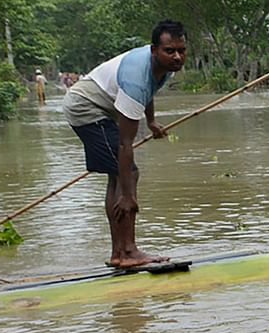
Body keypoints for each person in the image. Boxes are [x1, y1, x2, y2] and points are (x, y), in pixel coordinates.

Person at [63, 20, 187, 268]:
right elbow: (124, 143)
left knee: (117, 175)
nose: (177, 57)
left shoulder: (163, 67)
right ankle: (128, 251)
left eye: (181, 51)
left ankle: (118, 253)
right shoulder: (135, 78)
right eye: (169, 51)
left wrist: (151, 121)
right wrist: (129, 196)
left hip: (98, 107)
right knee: (128, 173)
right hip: (86, 108)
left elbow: (148, 92)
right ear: (154, 50)